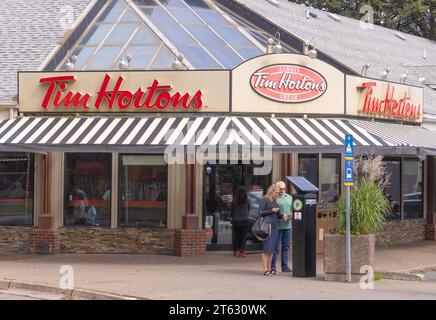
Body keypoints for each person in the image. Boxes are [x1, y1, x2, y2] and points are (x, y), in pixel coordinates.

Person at [259, 183, 283, 276]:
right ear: (271, 191)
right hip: (267, 227)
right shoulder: (265, 200)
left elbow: (279, 216)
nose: (277, 195)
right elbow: (260, 212)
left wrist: (284, 214)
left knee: (272, 249)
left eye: (278, 193)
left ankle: (269, 268)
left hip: (274, 227)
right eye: (276, 193)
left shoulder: (276, 202)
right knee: (266, 248)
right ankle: (265, 269)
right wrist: (271, 211)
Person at [271, 181, 293, 273]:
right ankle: (272, 266)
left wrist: (291, 215)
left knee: (286, 247)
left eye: (284, 189)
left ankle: (285, 266)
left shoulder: (290, 197)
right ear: (277, 188)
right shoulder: (274, 198)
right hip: (277, 227)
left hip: (287, 226)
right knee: (275, 247)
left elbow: (292, 209)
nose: (282, 190)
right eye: (280, 189)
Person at [231, 186, 250, 257]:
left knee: (236, 236)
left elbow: (232, 212)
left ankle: (236, 251)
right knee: (243, 237)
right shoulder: (247, 200)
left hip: (236, 221)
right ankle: (242, 252)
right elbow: (249, 209)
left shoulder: (234, 201)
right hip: (245, 220)